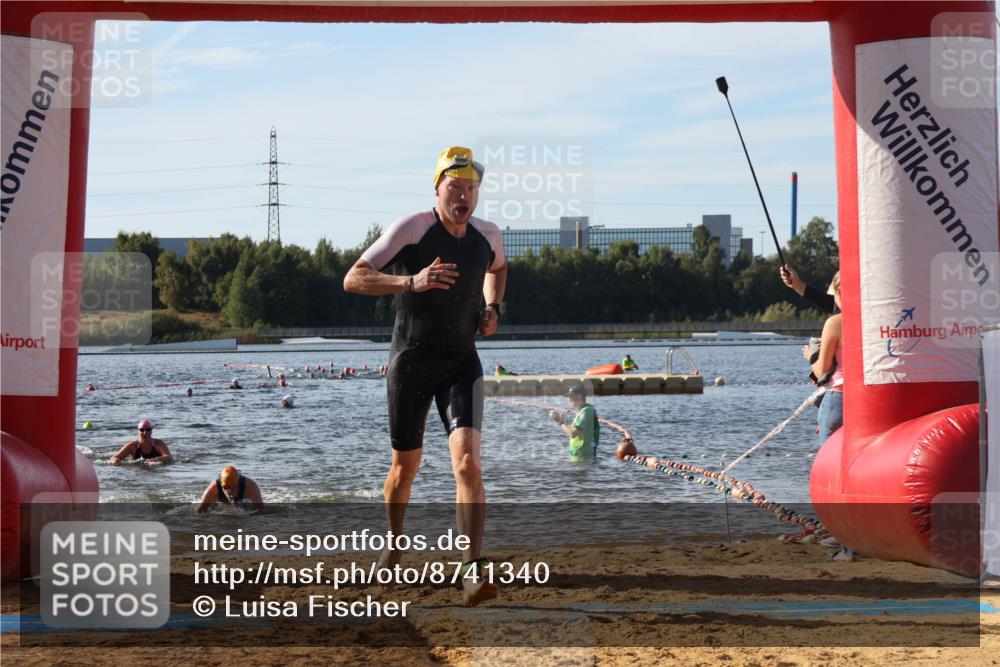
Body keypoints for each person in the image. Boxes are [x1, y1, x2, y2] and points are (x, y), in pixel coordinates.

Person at [343, 146, 508, 607]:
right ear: (437, 189)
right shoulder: (411, 229)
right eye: (455, 187)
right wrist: (410, 282)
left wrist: (493, 307)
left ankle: (471, 570)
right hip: (411, 362)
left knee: (468, 464)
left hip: (461, 362)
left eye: (471, 188)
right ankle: (395, 543)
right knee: (404, 469)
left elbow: (498, 268)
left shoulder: (488, 235)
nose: (464, 196)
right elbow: (353, 278)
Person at [804, 272, 843, 445]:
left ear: (839, 294)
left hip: (839, 398)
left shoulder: (835, 322)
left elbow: (822, 370)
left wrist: (812, 356)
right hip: (870, 398)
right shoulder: (878, 319)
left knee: (830, 457)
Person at [549, 385, 600, 462]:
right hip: (578, 456)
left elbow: (573, 433)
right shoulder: (583, 411)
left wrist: (560, 421)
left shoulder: (586, 411)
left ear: (579, 396)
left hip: (583, 458)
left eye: (571, 397)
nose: (569, 400)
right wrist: (563, 421)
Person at [196, 465, 263, 513]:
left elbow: (261, 510)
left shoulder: (250, 485)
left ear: (239, 485)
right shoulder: (213, 489)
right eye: (226, 487)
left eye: (234, 487)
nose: (230, 491)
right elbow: (199, 512)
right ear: (221, 486)